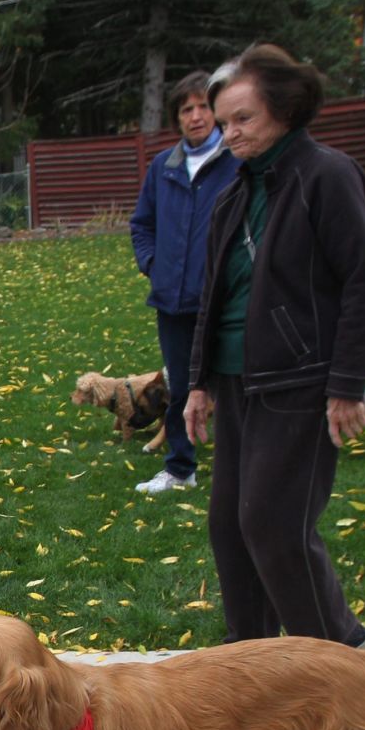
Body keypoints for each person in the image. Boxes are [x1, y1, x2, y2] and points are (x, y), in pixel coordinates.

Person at [183, 45, 365, 649]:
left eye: (242, 118)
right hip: (236, 382)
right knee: (230, 527)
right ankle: (250, 660)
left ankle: (338, 652)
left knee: (274, 526)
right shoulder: (234, 194)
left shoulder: (327, 175)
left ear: (284, 108)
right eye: (223, 123)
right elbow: (213, 300)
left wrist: (348, 382)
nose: (230, 133)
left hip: (301, 381)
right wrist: (198, 383)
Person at [130, 70, 240, 494]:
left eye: (203, 107)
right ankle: (181, 468)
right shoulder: (164, 166)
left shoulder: (235, 164)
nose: (196, 116)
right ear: (177, 118)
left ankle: (241, 465)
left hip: (225, 300)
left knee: (231, 386)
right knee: (179, 385)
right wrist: (153, 264)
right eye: (186, 109)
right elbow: (142, 224)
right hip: (172, 300)